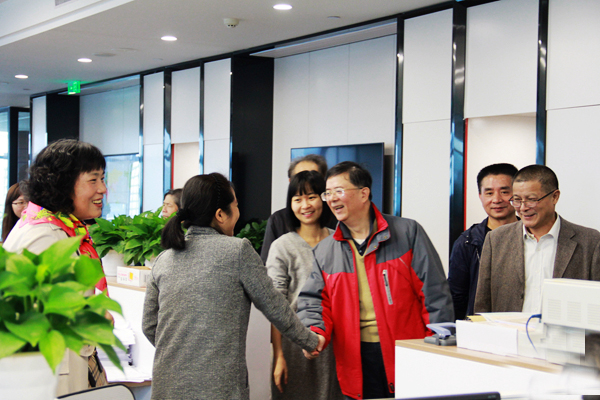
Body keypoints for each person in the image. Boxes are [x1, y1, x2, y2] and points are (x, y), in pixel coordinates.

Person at [142, 173, 324, 400]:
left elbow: (149, 325)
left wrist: (183, 353)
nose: (238, 212)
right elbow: (275, 306)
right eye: (236, 205)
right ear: (220, 214)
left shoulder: (164, 259)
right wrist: (310, 341)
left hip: (166, 386)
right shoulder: (237, 251)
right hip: (218, 388)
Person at [298, 161, 454, 400]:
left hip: (409, 351)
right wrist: (314, 333)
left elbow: (435, 294)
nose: (332, 199)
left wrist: (438, 344)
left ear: (364, 194)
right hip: (356, 357)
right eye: (327, 193)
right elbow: (315, 302)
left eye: (339, 191)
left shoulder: (408, 233)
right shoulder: (325, 251)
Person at [3, 139, 109, 395]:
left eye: (102, 179)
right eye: (93, 180)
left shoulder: (59, 228)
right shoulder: (42, 237)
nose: (103, 189)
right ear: (62, 183)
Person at [475, 165, 600, 314]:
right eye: (517, 200)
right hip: (509, 328)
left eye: (531, 200)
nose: (523, 208)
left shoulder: (590, 242)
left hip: (565, 329)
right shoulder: (496, 240)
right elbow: (483, 304)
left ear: (555, 197)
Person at [267, 170, 343, 400]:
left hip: (335, 345)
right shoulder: (282, 246)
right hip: (293, 346)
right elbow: (276, 306)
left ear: (324, 198)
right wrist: (278, 355)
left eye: (311, 197)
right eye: (297, 199)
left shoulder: (340, 242)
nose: (305, 205)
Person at [448, 163, 518, 320]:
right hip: (482, 326)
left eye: (504, 192)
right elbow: (457, 297)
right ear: (480, 196)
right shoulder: (467, 242)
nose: (496, 199)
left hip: (525, 325)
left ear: (518, 194)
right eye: (489, 193)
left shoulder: (532, 236)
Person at [261, 154, 331, 264]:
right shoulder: (278, 221)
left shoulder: (338, 219)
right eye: (300, 177)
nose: (305, 205)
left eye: (313, 177)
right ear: (291, 182)